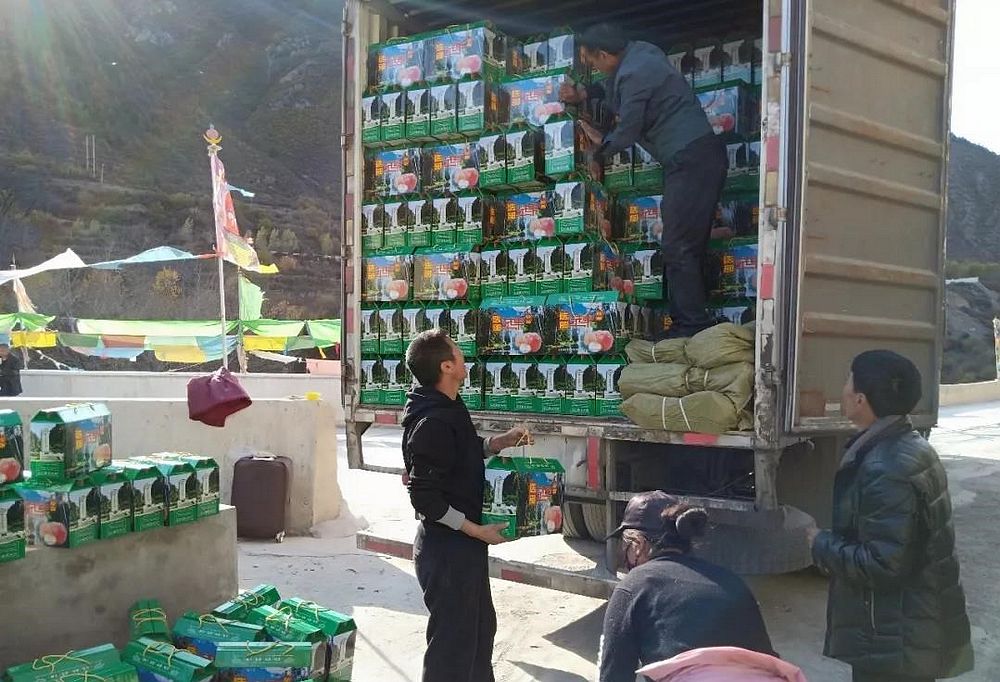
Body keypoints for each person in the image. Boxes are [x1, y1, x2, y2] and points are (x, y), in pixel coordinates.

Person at [809, 350, 974, 682]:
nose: (843, 388)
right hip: (906, 633)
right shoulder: (908, 446)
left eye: (848, 380)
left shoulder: (886, 467)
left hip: (894, 642)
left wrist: (819, 543)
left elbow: (883, 564)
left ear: (860, 399)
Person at [561, 24, 727, 339]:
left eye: (592, 61)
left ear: (604, 54)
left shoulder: (634, 74)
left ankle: (691, 325)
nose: (593, 68)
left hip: (691, 160)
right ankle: (695, 321)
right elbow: (613, 87)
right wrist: (584, 94)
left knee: (677, 244)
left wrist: (597, 150)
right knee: (689, 244)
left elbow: (628, 129)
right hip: (699, 157)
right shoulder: (642, 52)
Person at [401, 329, 530, 682]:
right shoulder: (432, 421)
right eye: (458, 353)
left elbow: (460, 450)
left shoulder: (447, 406)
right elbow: (424, 498)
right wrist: (477, 531)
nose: (464, 358)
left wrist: (498, 442)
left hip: (462, 547)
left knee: (479, 631)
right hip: (446, 549)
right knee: (453, 650)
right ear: (446, 366)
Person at [599, 491, 775, 682]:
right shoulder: (732, 581)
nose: (625, 557)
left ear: (638, 545)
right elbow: (769, 663)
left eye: (625, 547)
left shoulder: (633, 586)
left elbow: (614, 676)